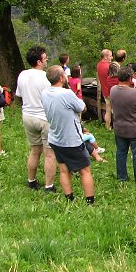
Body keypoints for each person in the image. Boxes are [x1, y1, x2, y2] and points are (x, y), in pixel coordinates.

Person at [41, 65, 101, 203]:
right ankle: (90, 201)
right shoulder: (66, 94)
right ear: (62, 78)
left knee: (63, 169)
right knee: (85, 170)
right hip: (71, 139)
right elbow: (82, 107)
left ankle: (69, 198)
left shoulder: (45, 93)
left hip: (55, 138)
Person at [16, 45, 57, 192]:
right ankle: (49, 185)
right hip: (44, 117)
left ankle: (31, 180)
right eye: (45, 59)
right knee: (49, 153)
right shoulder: (45, 78)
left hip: (28, 115)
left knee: (34, 150)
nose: (46, 61)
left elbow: (19, 95)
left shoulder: (22, 75)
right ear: (39, 61)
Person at [109, 66, 136, 185]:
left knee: (121, 152)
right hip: (135, 129)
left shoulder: (113, 90)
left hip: (119, 127)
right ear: (130, 78)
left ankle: (122, 177)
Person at [96, 49, 112, 129]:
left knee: (108, 110)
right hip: (111, 91)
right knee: (116, 111)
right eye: (110, 56)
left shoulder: (99, 65)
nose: (111, 58)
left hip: (104, 91)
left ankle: (107, 126)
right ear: (105, 57)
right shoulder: (109, 67)